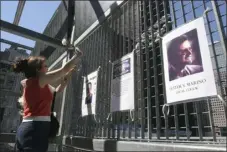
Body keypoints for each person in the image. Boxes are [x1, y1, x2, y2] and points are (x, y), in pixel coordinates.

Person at [13, 47, 82, 152]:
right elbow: (63, 70)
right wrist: (77, 56)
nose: (48, 68)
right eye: (45, 66)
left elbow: (58, 90)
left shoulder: (33, 84)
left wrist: (67, 75)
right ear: (38, 70)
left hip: (29, 127)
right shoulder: (39, 80)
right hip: (35, 128)